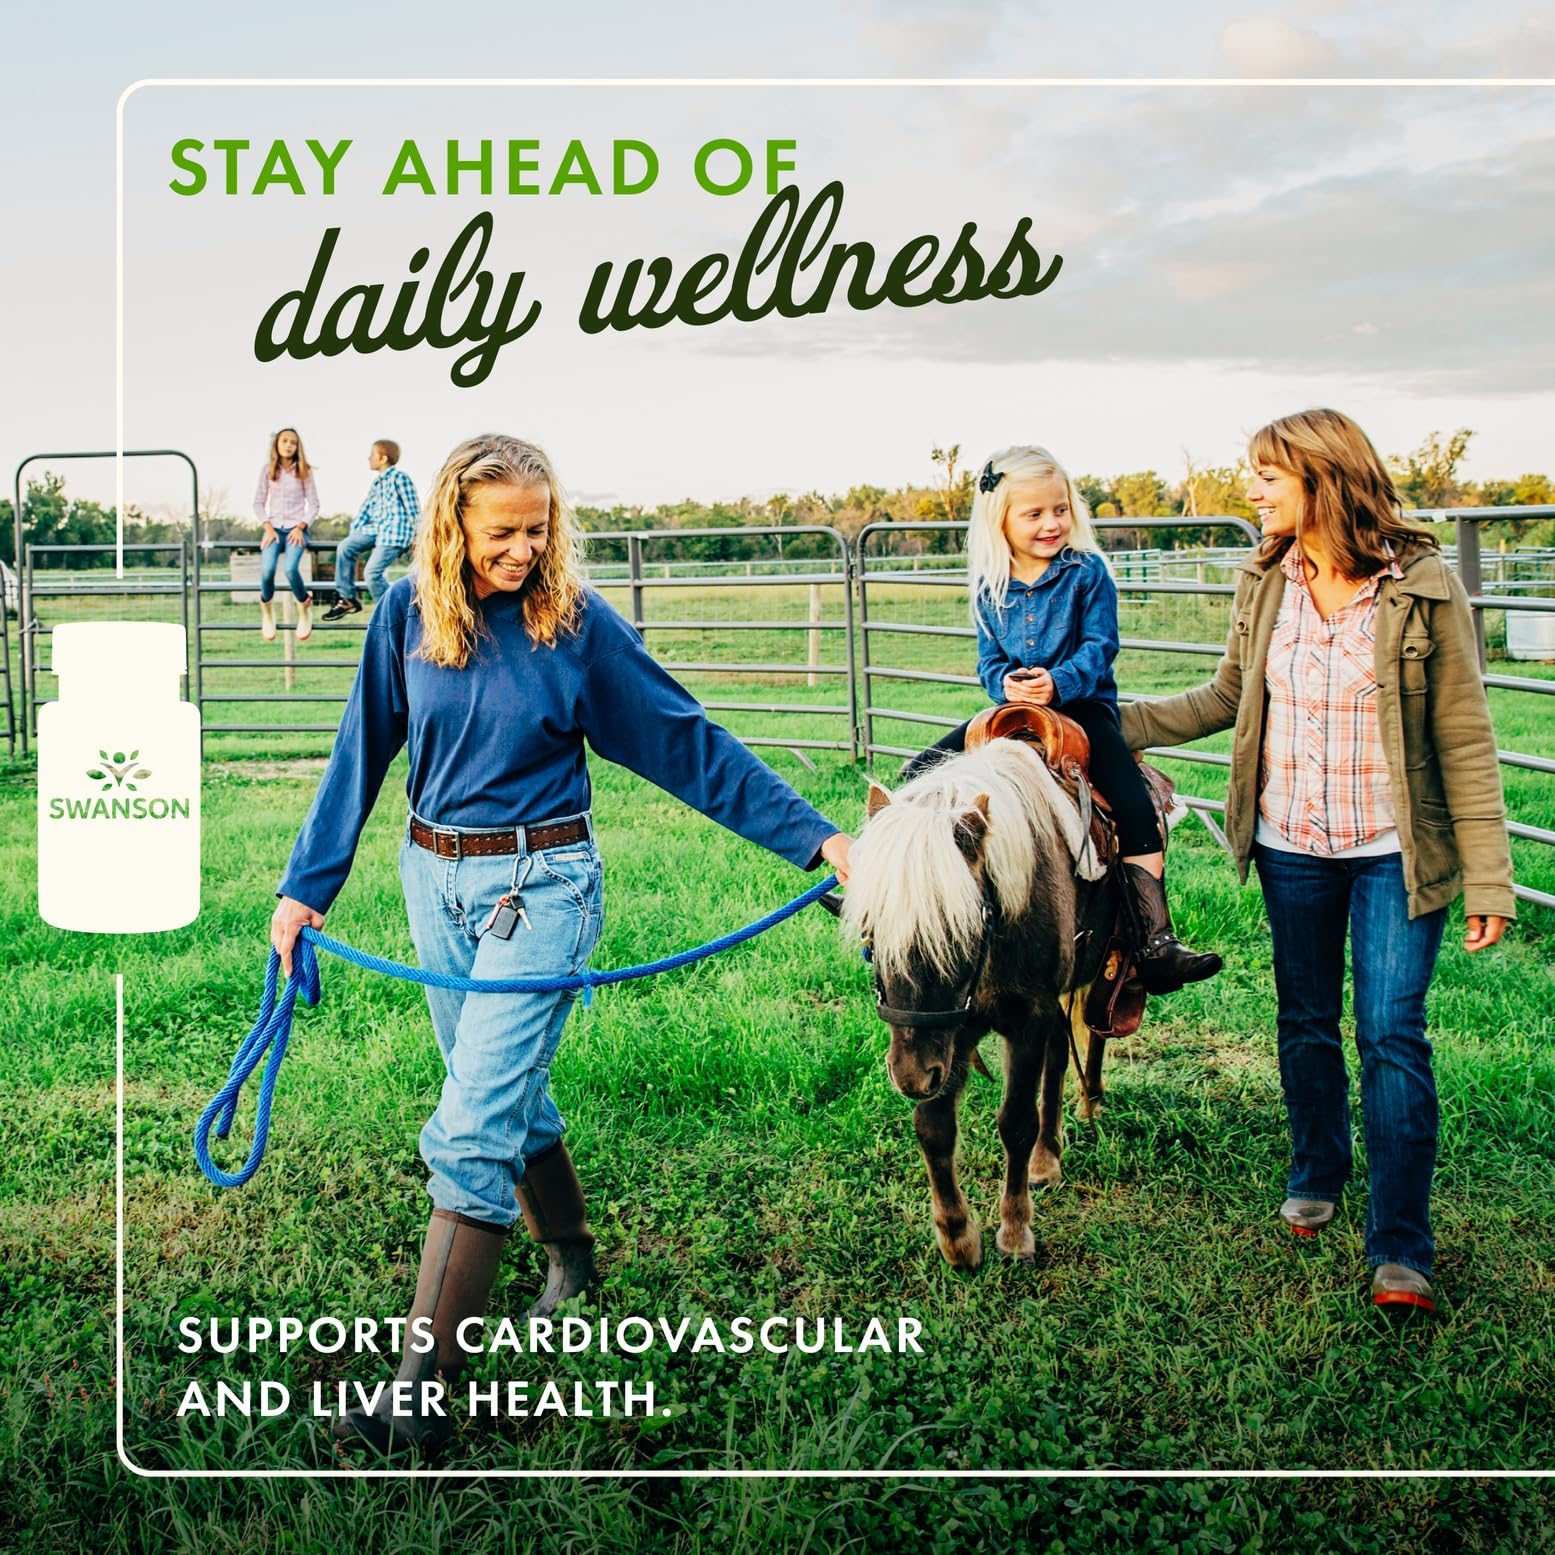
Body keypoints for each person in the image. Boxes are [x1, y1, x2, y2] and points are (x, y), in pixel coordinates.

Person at [269, 433, 852, 1456]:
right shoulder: (407, 616)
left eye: (539, 529)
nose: (524, 550)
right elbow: (359, 748)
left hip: (542, 886)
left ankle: (418, 1401)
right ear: (453, 524)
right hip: (431, 877)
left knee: (471, 1125)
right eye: (502, 531)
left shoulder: (574, 625)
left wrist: (819, 838)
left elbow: (689, 742)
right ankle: (573, 1260)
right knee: (501, 1087)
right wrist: (304, 888)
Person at [1121, 408, 1515, 1313]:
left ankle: (1400, 1248)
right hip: (1289, 841)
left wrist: (1488, 876)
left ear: (1321, 479)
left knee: (1389, 1032)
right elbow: (1226, 696)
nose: (1250, 491)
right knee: (1303, 1019)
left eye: (1266, 475)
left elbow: (1464, 736)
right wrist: (1107, 719)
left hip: (1392, 850)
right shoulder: (1264, 580)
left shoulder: (1420, 586)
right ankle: (1317, 1168)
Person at [899, 444, 1221, 994]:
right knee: (918, 774)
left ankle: (1154, 942)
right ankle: (906, 911)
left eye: (1060, 509)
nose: (1051, 523)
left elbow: (1101, 646)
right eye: (1034, 514)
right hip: (1012, 711)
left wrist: (1060, 682)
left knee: (1133, 804)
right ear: (1000, 520)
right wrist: (1003, 682)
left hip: (1083, 707)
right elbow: (988, 658)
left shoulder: (1087, 572)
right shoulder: (988, 585)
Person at [325, 439, 420, 620]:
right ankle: (347, 598)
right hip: (375, 530)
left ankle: (391, 614)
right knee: (345, 547)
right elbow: (365, 510)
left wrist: (418, 536)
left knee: (371, 573)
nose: (369, 458)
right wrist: (356, 534)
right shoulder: (377, 483)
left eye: (372, 454)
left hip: (394, 533)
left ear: (383, 458)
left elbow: (413, 509)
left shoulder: (400, 478)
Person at [253, 427, 320, 643]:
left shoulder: (304, 471)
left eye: (292, 442)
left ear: (297, 446)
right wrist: (267, 527)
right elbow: (258, 502)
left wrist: (300, 526)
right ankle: (267, 611)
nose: (288, 445)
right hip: (273, 528)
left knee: (291, 569)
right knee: (267, 570)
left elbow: (314, 505)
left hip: (295, 529)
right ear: (277, 444)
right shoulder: (268, 470)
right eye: (284, 441)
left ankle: (304, 607)